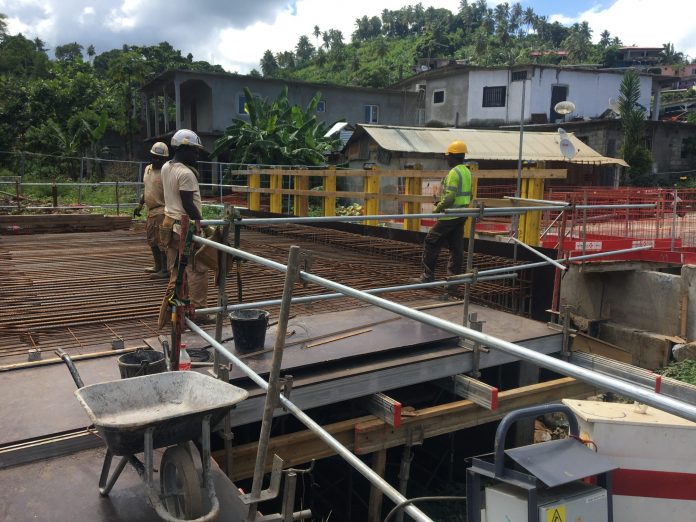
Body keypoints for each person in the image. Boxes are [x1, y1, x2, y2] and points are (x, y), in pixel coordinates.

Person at [161, 129, 214, 323]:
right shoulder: (186, 173)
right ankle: (199, 312)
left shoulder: (167, 166)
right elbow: (188, 204)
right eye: (194, 150)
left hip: (169, 225)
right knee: (197, 269)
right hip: (183, 228)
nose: (197, 154)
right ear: (183, 148)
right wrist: (203, 225)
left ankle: (175, 310)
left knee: (176, 271)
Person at [417, 140, 472, 285]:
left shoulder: (454, 172)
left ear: (454, 156)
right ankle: (453, 282)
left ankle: (427, 276)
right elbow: (466, 195)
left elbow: (450, 197)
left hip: (451, 215)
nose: (447, 159)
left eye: (448, 156)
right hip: (462, 214)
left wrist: (437, 208)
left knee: (431, 240)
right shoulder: (466, 171)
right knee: (456, 247)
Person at [134, 142, 169, 278]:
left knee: (161, 241)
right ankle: (157, 266)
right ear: (151, 156)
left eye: (160, 158)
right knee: (152, 240)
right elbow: (147, 189)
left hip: (162, 210)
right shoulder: (147, 169)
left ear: (165, 159)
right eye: (155, 157)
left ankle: (165, 270)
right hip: (151, 211)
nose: (157, 160)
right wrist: (140, 204)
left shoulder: (166, 172)